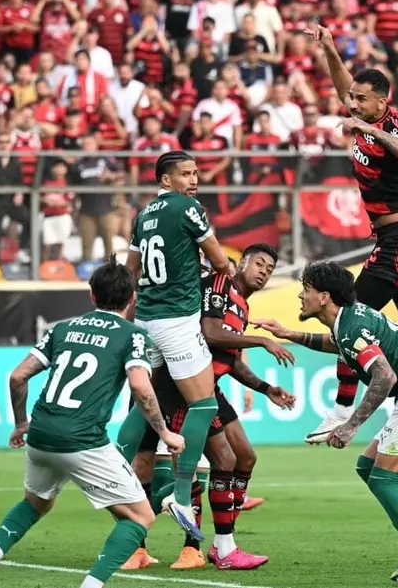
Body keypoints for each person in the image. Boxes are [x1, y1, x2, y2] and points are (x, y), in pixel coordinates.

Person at [0, 257, 185, 588]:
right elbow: (139, 385)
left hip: (41, 435)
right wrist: (164, 432)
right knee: (141, 517)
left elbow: (18, 376)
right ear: (132, 298)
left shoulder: (61, 328)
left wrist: (21, 424)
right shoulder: (133, 335)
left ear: (92, 295)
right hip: (83, 440)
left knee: (34, 504)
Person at [254, 261, 398, 586]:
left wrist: (350, 425)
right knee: (368, 467)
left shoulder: (350, 325)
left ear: (323, 297)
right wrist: (288, 333)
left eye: (305, 290)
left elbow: (384, 375)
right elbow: (338, 344)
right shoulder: (349, 320)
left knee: (384, 480)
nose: (300, 297)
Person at [303, 24, 398, 445]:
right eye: (353, 98)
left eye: (361, 99)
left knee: (351, 314)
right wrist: (330, 49)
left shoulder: (391, 127)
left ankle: (340, 410)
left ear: (382, 103)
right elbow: (343, 86)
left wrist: (374, 133)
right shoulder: (361, 110)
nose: (352, 103)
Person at [126, 243, 295, 571]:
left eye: (270, 269)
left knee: (242, 456)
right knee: (165, 463)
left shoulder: (241, 305)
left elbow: (229, 358)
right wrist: (263, 340)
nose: (263, 271)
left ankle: (218, 536)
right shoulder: (220, 283)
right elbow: (211, 333)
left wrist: (265, 388)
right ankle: (196, 545)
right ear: (241, 262)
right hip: (184, 386)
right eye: (258, 263)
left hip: (207, 388)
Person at [117, 151, 234, 541]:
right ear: (166, 180)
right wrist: (219, 265)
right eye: (185, 174)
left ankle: (115, 470)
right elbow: (220, 262)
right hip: (178, 322)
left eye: (196, 173)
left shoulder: (143, 215)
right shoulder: (190, 208)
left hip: (146, 321)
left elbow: (130, 272)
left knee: (147, 401)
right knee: (204, 404)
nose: (194, 179)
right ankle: (182, 495)